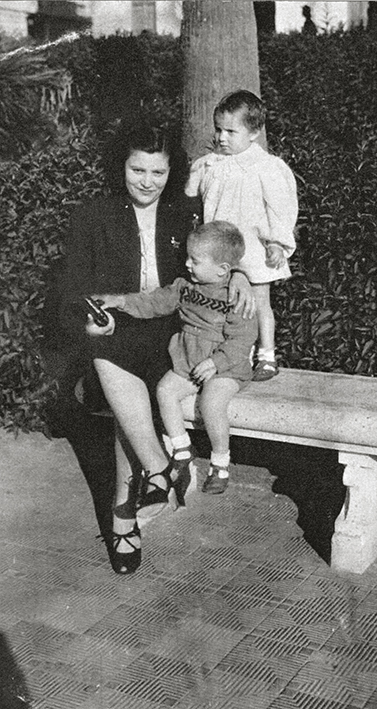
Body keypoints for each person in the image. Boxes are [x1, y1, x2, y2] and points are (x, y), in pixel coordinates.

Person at [57, 116, 254, 575]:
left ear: (171, 172)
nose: (147, 182)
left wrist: (240, 275)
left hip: (175, 334)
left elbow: (220, 254)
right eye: (137, 170)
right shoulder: (93, 216)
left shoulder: (184, 213)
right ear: (121, 167)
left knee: (126, 394)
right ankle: (155, 472)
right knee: (108, 354)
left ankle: (131, 505)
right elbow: (70, 292)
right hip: (117, 330)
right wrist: (91, 320)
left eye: (158, 172)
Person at [96, 221, 258, 496]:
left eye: (195, 260)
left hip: (226, 368)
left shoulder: (237, 297)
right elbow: (154, 302)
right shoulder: (184, 288)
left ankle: (220, 463)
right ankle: (181, 448)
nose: (187, 264)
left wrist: (216, 363)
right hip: (189, 360)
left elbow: (242, 341)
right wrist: (121, 301)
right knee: (165, 390)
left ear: (222, 269)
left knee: (212, 403)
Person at [186, 89, 298, 382]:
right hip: (220, 249)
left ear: (254, 132)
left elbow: (279, 208)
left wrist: (277, 242)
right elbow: (191, 198)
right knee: (230, 304)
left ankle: (267, 354)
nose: (222, 138)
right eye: (218, 130)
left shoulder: (266, 167)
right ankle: (238, 355)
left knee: (259, 303)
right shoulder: (210, 164)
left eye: (231, 132)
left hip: (253, 249)